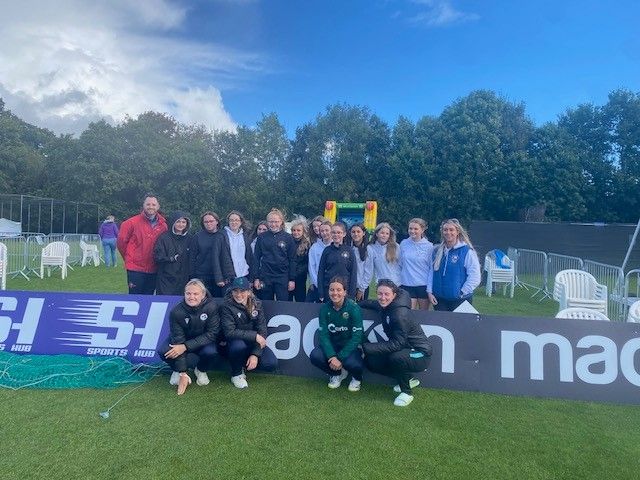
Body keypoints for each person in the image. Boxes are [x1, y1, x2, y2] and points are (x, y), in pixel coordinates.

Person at [360, 279, 432, 407]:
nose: (382, 298)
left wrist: (366, 347)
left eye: (386, 294)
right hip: (404, 350)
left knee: (396, 357)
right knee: (371, 362)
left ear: (394, 295)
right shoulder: (387, 305)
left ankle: (407, 392)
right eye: (379, 294)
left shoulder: (399, 314)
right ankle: (408, 379)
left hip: (420, 354)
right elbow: (373, 304)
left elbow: (397, 344)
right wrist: (356, 304)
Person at [157, 279, 220, 395]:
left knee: (211, 352)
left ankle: (200, 370)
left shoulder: (212, 307)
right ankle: (177, 370)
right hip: (182, 340)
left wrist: (185, 346)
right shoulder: (176, 311)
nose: (191, 297)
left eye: (195, 294)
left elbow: (212, 334)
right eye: (188, 293)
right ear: (184, 294)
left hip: (203, 341)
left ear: (203, 295)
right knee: (163, 351)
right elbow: (178, 339)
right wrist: (182, 372)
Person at [219, 277, 278, 388]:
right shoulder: (226, 306)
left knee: (271, 363)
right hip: (233, 343)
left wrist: (255, 354)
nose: (239, 294)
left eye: (242, 291)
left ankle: (243, 363)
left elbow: (262, 330)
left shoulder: (257, 304)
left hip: (251, 344)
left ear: (249, 292)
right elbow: (229, 332)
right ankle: (236, 374)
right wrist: (255, 336)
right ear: (231, 291)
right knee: (238, 346)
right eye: (235, 291)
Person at [310, 276, 364, 391]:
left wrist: (339, 358)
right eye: (332, 290)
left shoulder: (354, 308)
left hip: (350, 347)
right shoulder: (324, 309)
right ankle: (337, 374)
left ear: (345, 292)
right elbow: (323, 335)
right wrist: (332, 356)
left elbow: (356, 337)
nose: (335, 293)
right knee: (315, 356)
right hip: (334, 346)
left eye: (339, 290)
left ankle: (357, 378)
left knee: (354, 364)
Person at [427, 218, 481, 312]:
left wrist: (462, 292)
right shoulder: (436, 250)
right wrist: (430, 292)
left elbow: (475, 276)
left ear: (457, 232)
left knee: (460, 326)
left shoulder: (466, 251)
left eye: (451, 230)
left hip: (460, 299)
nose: (448, 232)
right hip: (440, 299)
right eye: (445, 230)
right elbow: (431, 273)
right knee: (442, 324)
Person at [117, 194, 167, 294]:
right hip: (135, 269)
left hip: (154, 268)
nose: (151, 207)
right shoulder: (130, 223)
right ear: (143, 205)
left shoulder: (164, 225)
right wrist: (130, 258)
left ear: (158, 206)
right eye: (148, 204)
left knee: (148, 299)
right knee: (134, 299)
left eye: (153, 204)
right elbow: (121, 243)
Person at [253, 208, 296, 301]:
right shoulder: (261, 237)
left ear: (281, 222)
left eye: (276, 221)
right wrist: (256, 278)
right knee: (266, 303)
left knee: (283, 303)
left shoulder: (288, 238)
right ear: (267, 222)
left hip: (282, 276)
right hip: (266, 276)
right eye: (271, 222)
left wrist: (292, 279)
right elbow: (256, 258)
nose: (273, 224)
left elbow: (292, 259)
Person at [190, 211, 233, 297]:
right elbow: (192, 258)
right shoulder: (197, 237)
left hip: (221, 275)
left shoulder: (224, 235)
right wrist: (193, 276)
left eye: (211, 221)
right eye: (206, 222)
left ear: (217, 221)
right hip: (203, 275)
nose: (208, 223)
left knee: (220, 301)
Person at [153, 212, 192, 296]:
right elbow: (157, 257)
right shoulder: (163, 237)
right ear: (173, 223)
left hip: (183, 279)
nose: (181, 224)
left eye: (183, 222)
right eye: (178, 222)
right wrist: (172, 258)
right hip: (166, 278)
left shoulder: (190, 238)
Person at [317, 222, 357, 302]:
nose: (336, 235)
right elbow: (321, 272)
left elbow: (353, 273)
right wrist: (321, 292)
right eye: (334, 232)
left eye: (339, 232)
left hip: (344, 291)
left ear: (344, 234)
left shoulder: (349, 250)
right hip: (329, 290)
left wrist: (351, 295)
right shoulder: (327, 250)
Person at [400, 218, 434, 310]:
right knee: (408, 314)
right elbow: (400, 264)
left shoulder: (429, 246)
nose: (412, 231)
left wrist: (430, 289)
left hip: (423, 285)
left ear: (422, 230)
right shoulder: (404, 244)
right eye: (410, 228)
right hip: (407, 284)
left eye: (415, 229)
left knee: (423, 316)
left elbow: (431, 268)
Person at [219, 210, 254, 285]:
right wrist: (219, 278)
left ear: (241, 222)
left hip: (244, 274)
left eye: (236, 220)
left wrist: (251, 277)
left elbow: (249, 257)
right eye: (231, 220)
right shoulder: (221, 235)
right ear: (228, 222)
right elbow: (216, 257)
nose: (234, 222)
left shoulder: (245, 236)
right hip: (228, 277)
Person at [307, 220, 332, 302]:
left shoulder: (336, 247)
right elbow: (312, 268)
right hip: (318, 285)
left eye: (326, 230)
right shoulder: (314, 248)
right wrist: (318, 285)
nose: (324, 233)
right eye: (322, 231)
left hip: (332, 286)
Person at [289, 216, 311, 302]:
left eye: (298, 230)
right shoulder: (288, 241)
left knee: (300, 300)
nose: (296, 232)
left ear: (303, 231)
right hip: (288, 277)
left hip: (300, 277)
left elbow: (306, 262)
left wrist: (296, 274)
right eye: (294, 230)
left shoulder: (307, 245)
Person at [349, 223, 373, 302]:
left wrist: (362, 289)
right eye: (353, 232)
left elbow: (368, 271)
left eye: (358, 232)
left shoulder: (368, 249)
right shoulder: (348, 247)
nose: (356, 234)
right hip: (349, 286)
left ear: (363, 233)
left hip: (361, 287)